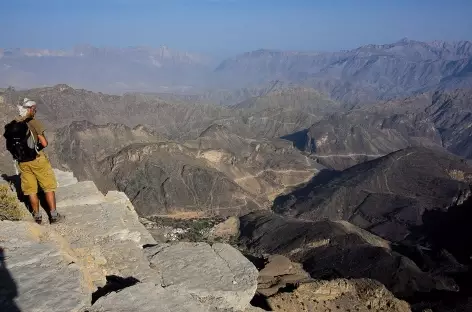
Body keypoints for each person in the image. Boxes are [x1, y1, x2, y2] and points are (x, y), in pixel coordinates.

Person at [12, 98, 63, 224]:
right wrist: (35, 149)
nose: (35, 111)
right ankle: (54, 216)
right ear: (29, 109)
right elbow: (44, 143)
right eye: (34, 109)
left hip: (22, 162)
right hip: (37, 159)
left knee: (31, 190)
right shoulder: (34, 122)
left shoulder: (14, 123)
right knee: (48, 186)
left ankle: (37, 217)